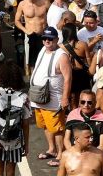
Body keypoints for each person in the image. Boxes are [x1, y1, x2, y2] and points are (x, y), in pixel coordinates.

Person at [30, 28, 71, 167]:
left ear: (56, 39)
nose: (47, 41)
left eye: (50, 39)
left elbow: (68, 79)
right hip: (38, 98)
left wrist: (65, 98)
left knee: (57, 128)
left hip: (53, 100)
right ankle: (52, 149)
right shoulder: (43, 50)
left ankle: (61, 154)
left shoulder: (62, 56)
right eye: (45, 38)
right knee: (45, 126)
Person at [0, 61, 32, 176]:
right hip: (16, 140)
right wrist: (26, 143)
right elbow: (25, 123)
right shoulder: (23, 97)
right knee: (11, 169)